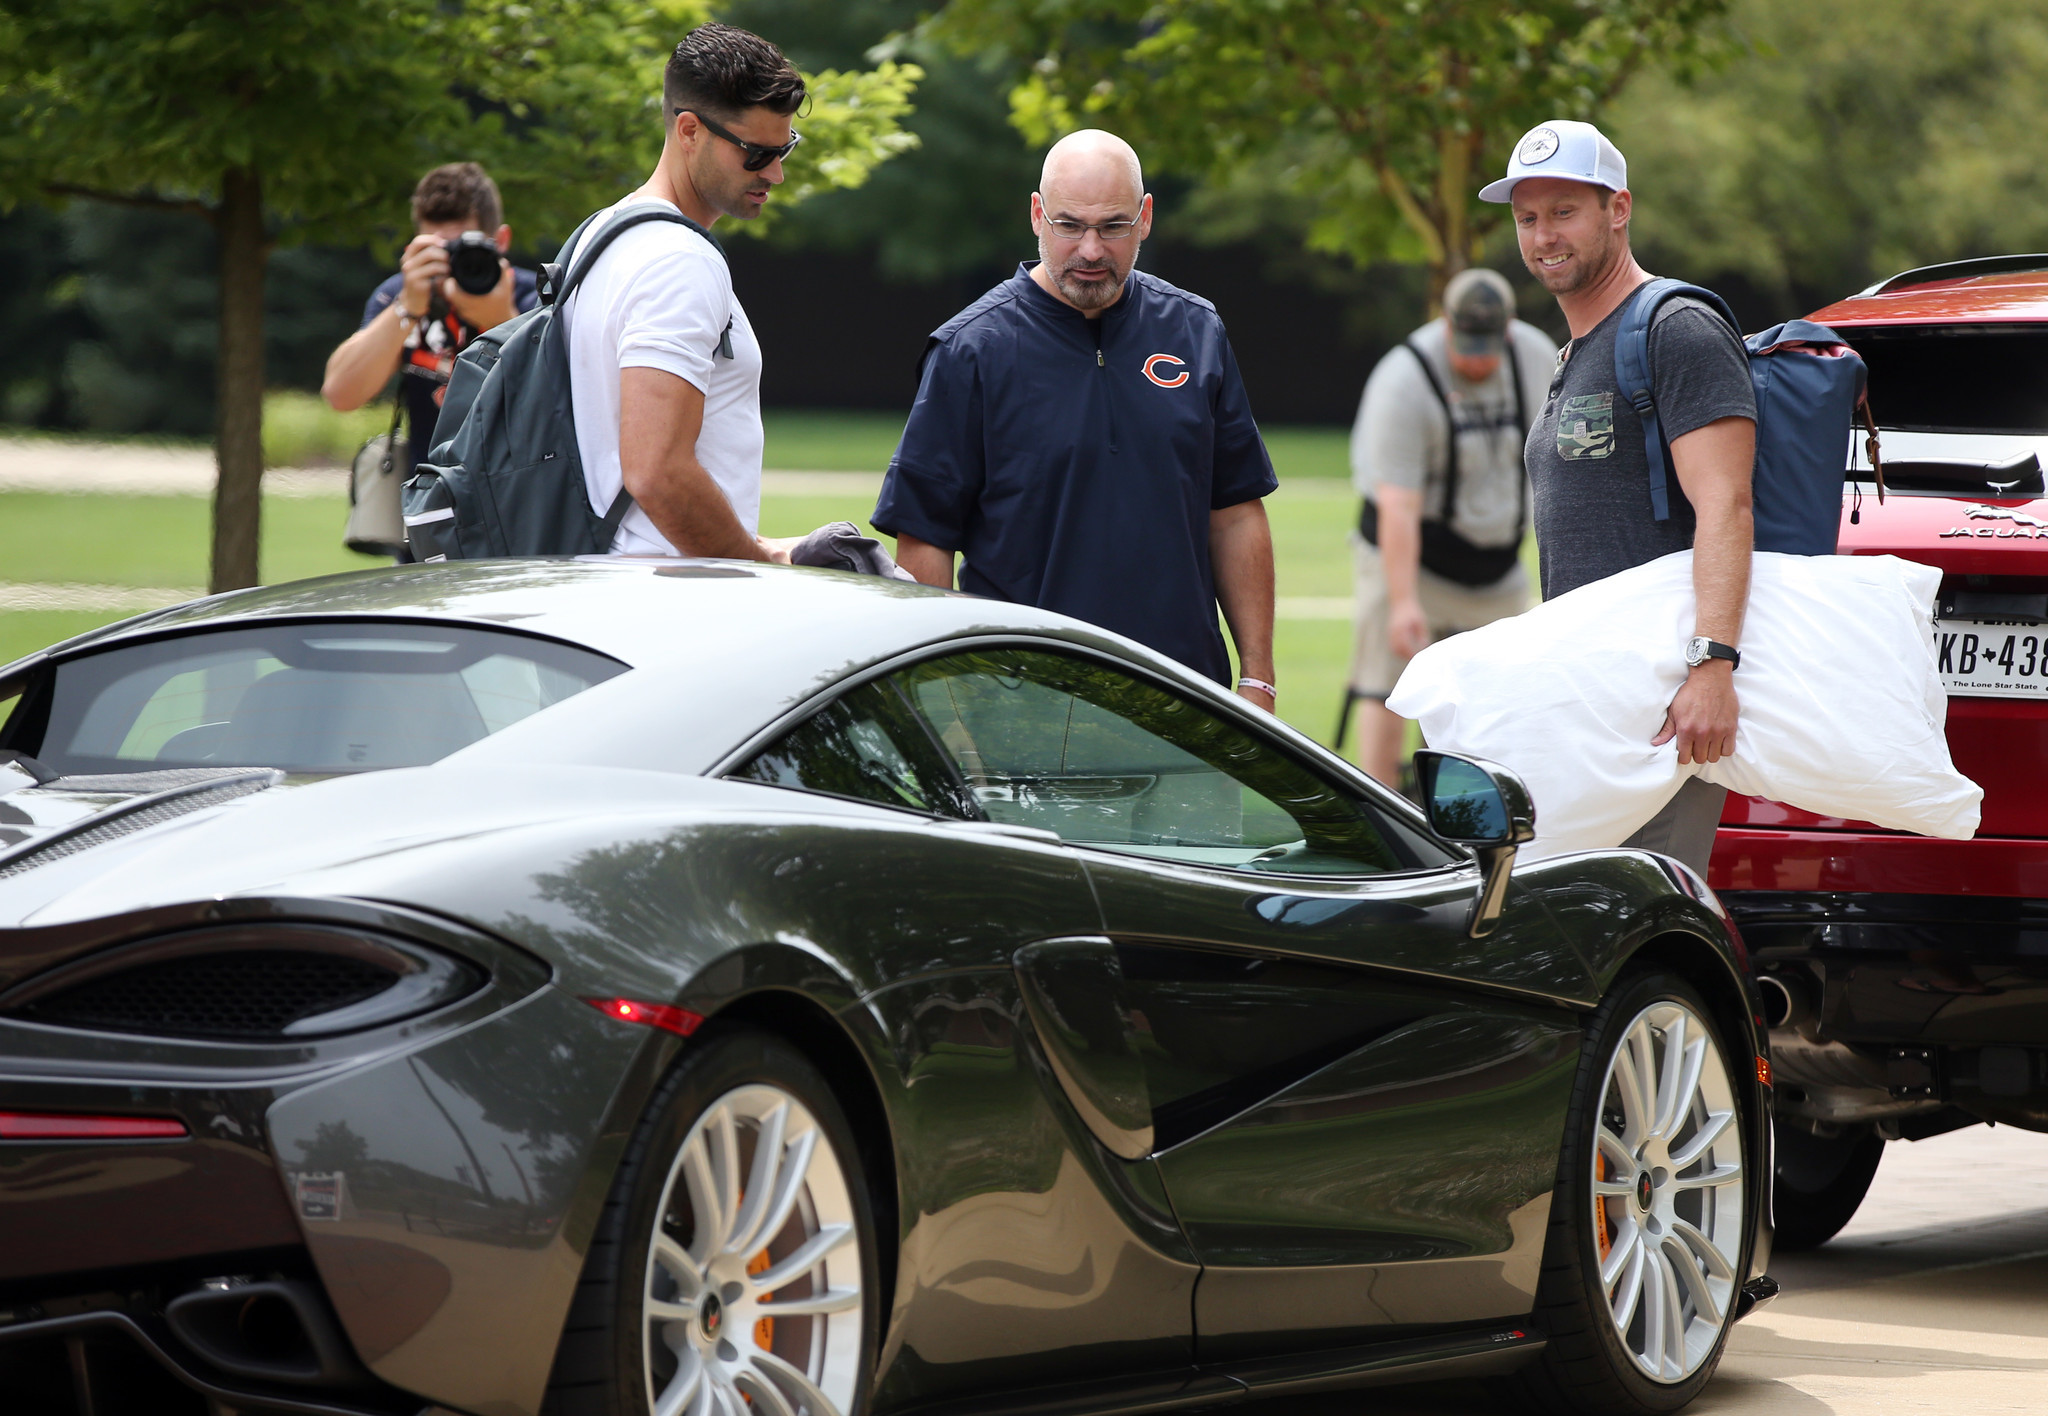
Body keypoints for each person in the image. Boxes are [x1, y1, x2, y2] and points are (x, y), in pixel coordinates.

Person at [873, 130, 1279, 709]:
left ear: (1145, 218)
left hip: (1190, 709)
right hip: (1026, 710)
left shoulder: (1197, 331)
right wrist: (948, 707)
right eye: (1070, 225)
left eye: (1113, 226)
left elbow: (1236, 513)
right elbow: (926, 539)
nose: (1091, 250)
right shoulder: (971, 350)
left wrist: (1257, 678)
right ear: (1037, 216)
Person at [1481, 119, 1756, 874]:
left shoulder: (1678, 329)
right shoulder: (1578, 347)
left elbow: (1726, 505)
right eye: (1527, 218)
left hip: (1665, 705)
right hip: (1592, 695)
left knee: (1645, 913)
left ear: (1619, 209)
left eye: (1564, 211)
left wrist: (1712, 668)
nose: (1543, 237)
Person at [557, 22, 803, 561]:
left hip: (600, 583)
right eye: (756, 153)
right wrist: (758, 565)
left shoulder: (600, 234)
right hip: (665, 603)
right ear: (689, 130)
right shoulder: (680, 260)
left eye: (785, 148)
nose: (777, 173)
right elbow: (655, 470)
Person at [1342, 268, 1555, 788]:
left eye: (1488, 345)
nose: (1477, 359)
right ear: (1445, 323)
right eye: (1466, 344)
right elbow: (1397, 504)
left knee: (1493, 699)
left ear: (1509, 329)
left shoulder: (1537, 359)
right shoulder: (1406, 378)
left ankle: (1463, 814)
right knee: (1386, 688)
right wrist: (1403, 603)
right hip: (1409, 556)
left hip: (1492, 561)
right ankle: (1383, 813)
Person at [322, 163, 537, 476]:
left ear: (500, 241)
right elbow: (341, 394)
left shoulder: (535, 296)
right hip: (433, 499)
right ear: (414, 247)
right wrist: (407, 307)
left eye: (466, 248)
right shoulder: (404, 296)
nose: (452, 263)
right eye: (439, 250)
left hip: (521, 492)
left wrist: (502, 321)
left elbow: (557, 404)